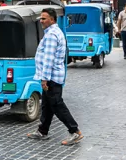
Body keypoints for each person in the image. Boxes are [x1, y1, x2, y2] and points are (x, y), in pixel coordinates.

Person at [27, 8, 84, 145]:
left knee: (57, 105)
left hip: (51, 77)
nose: (41, 21)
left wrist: (44, 78)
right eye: (41, 18)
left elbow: (48, 58)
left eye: (44, 18)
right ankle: (42, 131)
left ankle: (75, 131)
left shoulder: (52, 35)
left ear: (52, 20)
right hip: (52, 76)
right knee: (47, 105)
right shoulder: (53, 32)